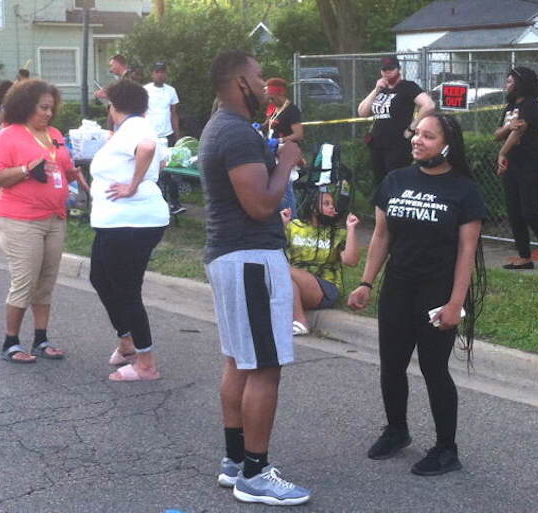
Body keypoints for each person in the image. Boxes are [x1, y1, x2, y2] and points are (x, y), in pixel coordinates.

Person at [200, 50, 311, 505]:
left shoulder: (225, 128)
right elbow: (262, 205)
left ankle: (235, 463)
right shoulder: (235, 134)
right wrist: (286, 160)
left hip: (232, 255)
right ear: (242, 83)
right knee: (264, 365)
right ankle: (255, 473)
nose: (266, 82)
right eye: (259, 76)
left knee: (239, 360)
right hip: (249, 257)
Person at [348, 112, 486, 476]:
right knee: (391, 364)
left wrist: (456, 303)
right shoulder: (395, 181)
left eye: (427, 135)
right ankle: (396, 430)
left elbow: (466, 252)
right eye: (415, 133)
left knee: (433, 368)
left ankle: (446, 449)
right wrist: (366, 282)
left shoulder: (464, 190)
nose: (416, 140)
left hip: (437, 292)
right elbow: (381, 236)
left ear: (446, 144)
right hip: (398, 286)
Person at [0, 79, 86, 363]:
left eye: (51, 108)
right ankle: (11, 342)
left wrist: (71, 174)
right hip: (20, 219)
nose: (48, 113)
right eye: (43, 108)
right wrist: (25, 169)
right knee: (25, 280)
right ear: (26, 106)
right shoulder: (8, 136)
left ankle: (41, 339)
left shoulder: (54, 133)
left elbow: (65, 167)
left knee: (46, 281)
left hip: (55, 217)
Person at [87, 79, 169, 381]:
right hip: (116, 223)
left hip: (131, 224)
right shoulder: (132, 128)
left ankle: (146, 363)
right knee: (100, 278)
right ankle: (127, 343)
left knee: (126, 292)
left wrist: (132, 185)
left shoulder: (135, 129)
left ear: (114, 107)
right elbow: (157, 160)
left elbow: (147, 149)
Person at [495, 67, 538, 273]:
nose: (506, 85)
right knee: (514, 212)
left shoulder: (530, 105)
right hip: (513, 165)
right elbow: (499, 133)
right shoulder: (510, 106)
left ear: (520, 84)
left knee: (529, 212)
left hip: (531, 163)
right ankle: (524, 257)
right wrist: (508, 128)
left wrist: (502, 154)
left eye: (509, 82)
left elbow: (518, 133)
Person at [281, 190, 359, 336]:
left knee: (282, 270)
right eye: (326, 203)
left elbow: (351, 261)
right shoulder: (295, 227)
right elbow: (273, 249)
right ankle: (295, 322)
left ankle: (300, 321)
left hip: (326, 288)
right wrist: (282, 225)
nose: (332, 208)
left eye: (333, 205)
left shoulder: (336, 233)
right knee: (281, 274)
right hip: (296, 283)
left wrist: (351, 229)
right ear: (312, 207)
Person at [357, 55, 435, 186]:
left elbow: (429, 105)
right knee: (380, 184)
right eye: (384, 69)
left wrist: (412, 128)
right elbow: (362, 112)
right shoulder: (381, 89)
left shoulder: (408, 87)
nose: (387, 72)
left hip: (397, 145)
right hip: (377, 144)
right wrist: (376, 91)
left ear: (398, 69)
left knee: (396, 183)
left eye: (391, 69)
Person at [144, 61, 185, 216]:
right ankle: (154, 203)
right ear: (152, 74)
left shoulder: (171, 91)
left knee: (171, 170)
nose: (160, 74)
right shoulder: (145, 90)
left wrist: (177, 135)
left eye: (163, 72)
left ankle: (175, 203)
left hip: (167, 136)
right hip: (150, 137)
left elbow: (174, 113)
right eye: (157, 72)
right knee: (152, 171)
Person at [265, 77, 303, 215]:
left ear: (280, 94)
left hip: (286, 154)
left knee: (286, 188)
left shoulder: (292, 110)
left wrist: (280, 140)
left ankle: (292, 219)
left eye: (272, 97)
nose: (270, 101)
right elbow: (269, 123)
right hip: (272, 152)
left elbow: (298, 134)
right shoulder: (273, 108)